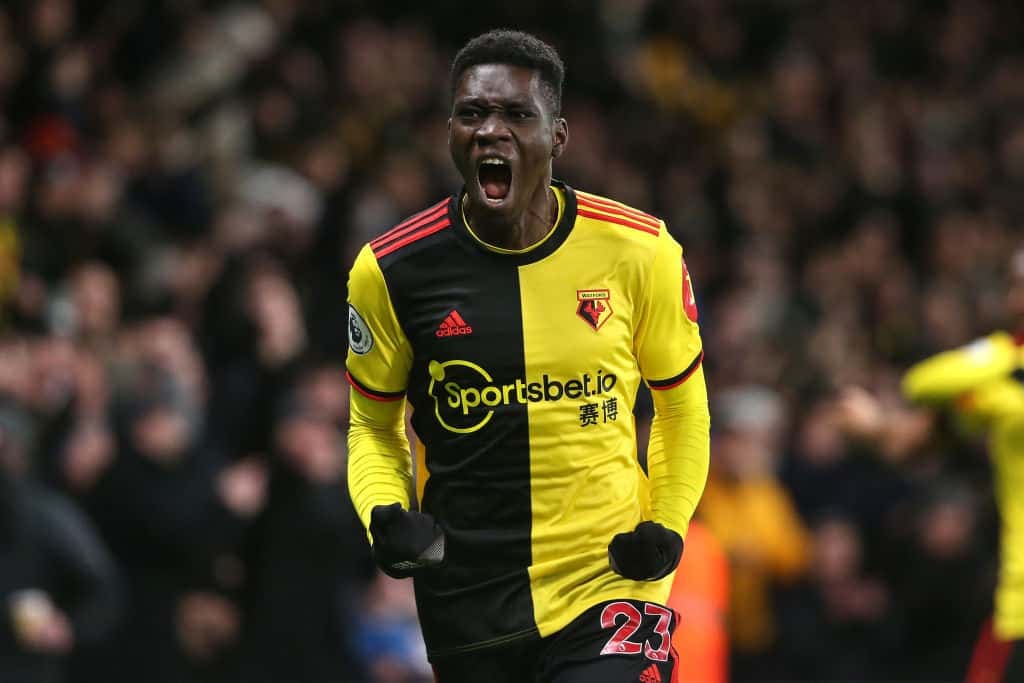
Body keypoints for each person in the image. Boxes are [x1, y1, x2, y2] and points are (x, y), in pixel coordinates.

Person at [345, 29, 710, 682]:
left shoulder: (641, 252)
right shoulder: (390, 271)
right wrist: (384, 514)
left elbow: (681, 409)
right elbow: (372, 423)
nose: (492, 130)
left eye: (517, 114)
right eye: (472, 113)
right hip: (469, 599)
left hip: (608, 580)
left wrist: (667, 522)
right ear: (451, 132)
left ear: (557, 136)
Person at [836, 247, 1024, 682]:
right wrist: (876, 427)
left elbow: (921, 384)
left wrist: (1000, 352)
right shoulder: (1002, 390)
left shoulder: (1000, 377)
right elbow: (916, 431)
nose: (1014, 300)